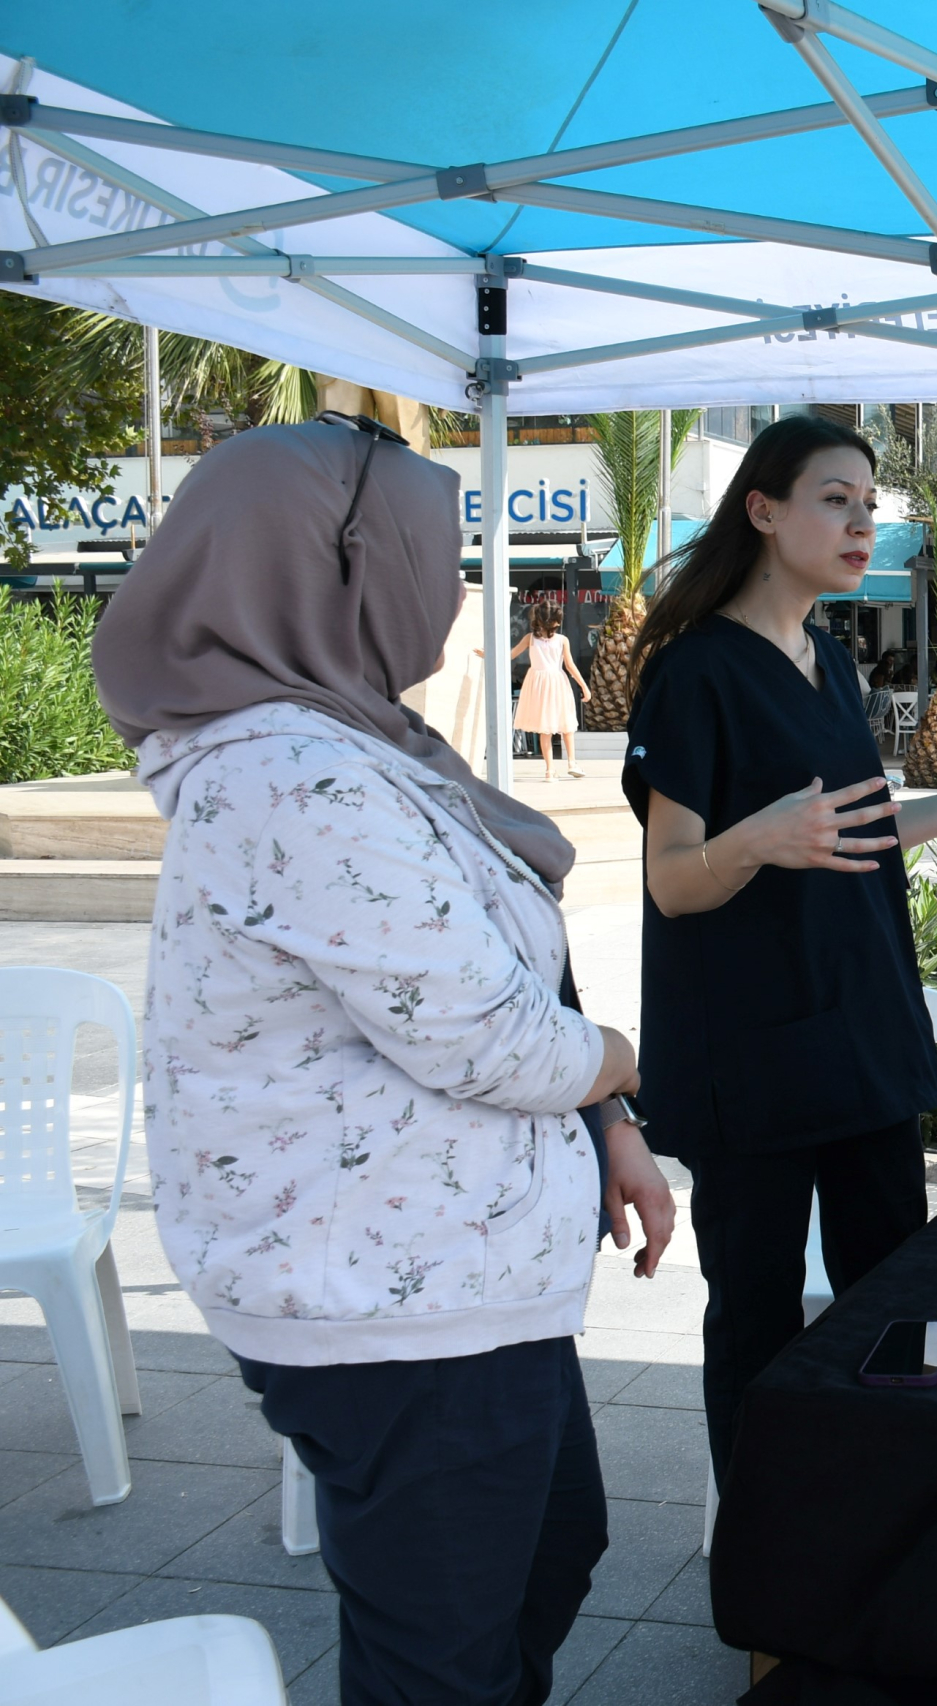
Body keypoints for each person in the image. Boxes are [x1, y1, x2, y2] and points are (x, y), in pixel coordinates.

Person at [92, 417, 675, 1706]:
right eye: (438, 551)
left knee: (541, 1559)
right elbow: (485, 1030)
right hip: (393, 1308)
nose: (458, 587)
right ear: (339, 567)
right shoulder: (291, 774)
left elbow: (510, 975)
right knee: (443, 1654)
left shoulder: (349, 743)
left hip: (452, 1288)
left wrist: (609, 1122)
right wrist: (622, 1059)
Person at [619, 415, 937, 1489]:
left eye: (870, 505)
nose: (861, 522)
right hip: (752, 1062)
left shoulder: (825, 655)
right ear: (762, 510)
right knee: (758, 1319)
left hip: (858, 1036)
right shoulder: (695, 675)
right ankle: (769, 1549)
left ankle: (877, 1525)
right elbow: (673, 877)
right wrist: (753, 839)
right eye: (835, 498)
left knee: (890, 1302)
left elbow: (853, 827)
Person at [510, 602, 590, 781]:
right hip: (556, 681)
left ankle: (550, 770)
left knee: (545, 728)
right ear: (554, 621)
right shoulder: (561, 640)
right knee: (566, 725)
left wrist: (489, 654)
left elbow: (510, 654)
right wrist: (584, 686)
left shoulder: (531, 638)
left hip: (539, 683)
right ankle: (571, 763)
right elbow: (570, 666)